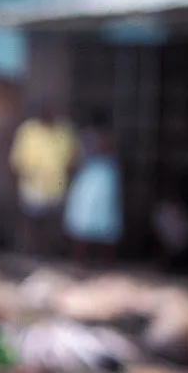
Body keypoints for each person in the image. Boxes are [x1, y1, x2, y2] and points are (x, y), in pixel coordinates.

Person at [10, 103, 77, 257]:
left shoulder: (64, 130)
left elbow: (73, 157)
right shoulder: (29, 131)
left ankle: (50, 253)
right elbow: (17, 159)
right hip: (33, 185)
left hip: (57, 185)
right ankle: (32, 252)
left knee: (53, 223)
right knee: (33, 222)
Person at [63, 112, 123, 266]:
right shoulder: (85, 138)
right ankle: (81, 260)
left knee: (104, 220)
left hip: (102, 179)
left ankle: (105, 262)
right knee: (82, 220)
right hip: (89, 177)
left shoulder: (109, 141)